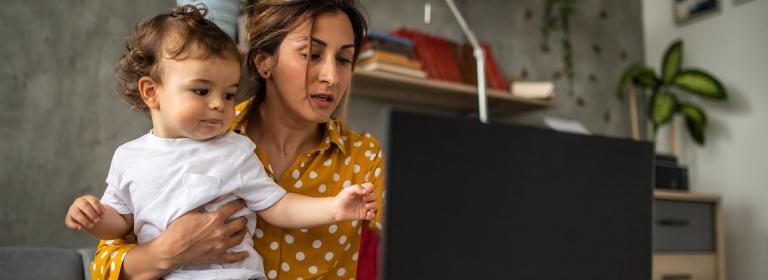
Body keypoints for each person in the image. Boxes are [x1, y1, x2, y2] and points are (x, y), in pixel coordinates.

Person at [68, 4, 378, 280]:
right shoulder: (168, 143)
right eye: (312, 54)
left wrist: (337, 208)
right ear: (263, 62)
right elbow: (105, 263)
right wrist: (167, 251)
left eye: (344, 59)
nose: (332, 77)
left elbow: (406, 255)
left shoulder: (365, 157)